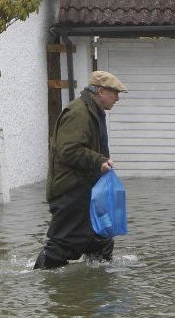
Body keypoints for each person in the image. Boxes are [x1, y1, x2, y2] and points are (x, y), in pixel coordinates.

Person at [34, 70, 127, 269]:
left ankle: (96, 284)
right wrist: (98, 161)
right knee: (62, 244)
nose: (118, 98)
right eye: (115, 93)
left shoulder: (93, 111)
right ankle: (42, 281)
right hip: (71, 192)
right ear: (101, 91)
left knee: (101, 240)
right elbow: (68, 150)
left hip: (87, 191)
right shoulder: (79, 113)